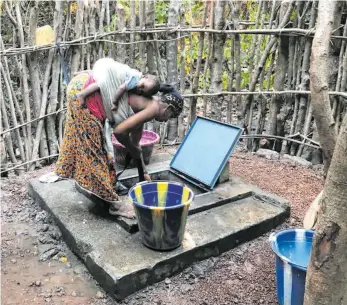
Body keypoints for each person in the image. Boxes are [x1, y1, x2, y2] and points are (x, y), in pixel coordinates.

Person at [55, 72, 183, 219]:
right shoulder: (153, 109)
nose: (167, 121)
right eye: (171, 117)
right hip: (86, 94)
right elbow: (120, 132)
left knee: (99, 151)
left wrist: (144, 172)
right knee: (94, 154)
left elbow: (136, 144)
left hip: (81, 85)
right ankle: (115, 206)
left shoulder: (146, 103)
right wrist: (130, 147)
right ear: (168, 109)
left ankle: (106, 189)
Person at [76, 58, 160, 115]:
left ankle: (81, 73)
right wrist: (115, 102)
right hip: (111, 71)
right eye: (143, 86)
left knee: (96, 73)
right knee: (101, 84)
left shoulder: (137, 74)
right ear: (145, 77)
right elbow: (121, 88)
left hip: (108, 66)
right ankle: (83, 94)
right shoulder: (135, 80)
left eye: (142, 91)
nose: (139, 89)